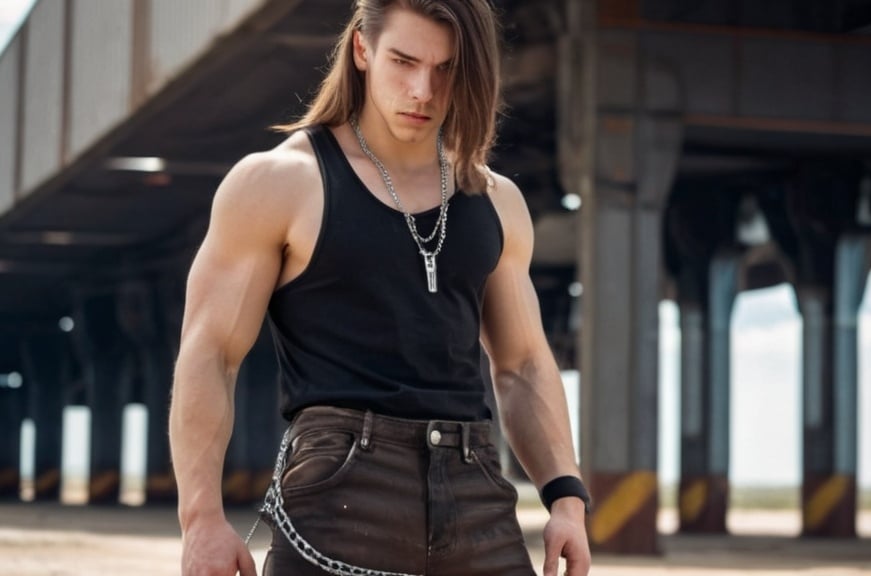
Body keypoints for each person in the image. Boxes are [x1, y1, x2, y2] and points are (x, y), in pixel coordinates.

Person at [168, 1, 591, 574]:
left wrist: (565, 498)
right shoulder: (279, 183)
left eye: (446, 69)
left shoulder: (497, 201)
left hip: (477, 495)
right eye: (405, 61)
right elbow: (211, 354)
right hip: (339, 494)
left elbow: (521, 364)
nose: (423, 89)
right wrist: (201, 520)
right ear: (363, 50)